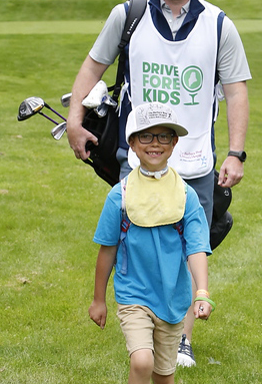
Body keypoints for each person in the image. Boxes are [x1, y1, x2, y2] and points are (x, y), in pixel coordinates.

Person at [67, 0, 250, 368]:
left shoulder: (219, 24)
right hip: (138, 160)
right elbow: (92, 67)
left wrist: (236, 152)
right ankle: (142, 324)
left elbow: (236, 91)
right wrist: (75, 119)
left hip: (196, 161)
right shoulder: (128, 16)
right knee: (138, 248)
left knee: (190, 246)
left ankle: (179, 338)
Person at [89, 102, 212, 384]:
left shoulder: (185, 195)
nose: (155, 144)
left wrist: (202, 291)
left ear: (174, 142)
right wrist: (98, 299)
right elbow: (107, 250)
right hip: (134, 295)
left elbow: (196, 248)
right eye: (146, 136)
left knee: (164, 376)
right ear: (132, 142)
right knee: (143, 361)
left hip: (172, 299)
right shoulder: (120, 196)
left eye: (163, 136)